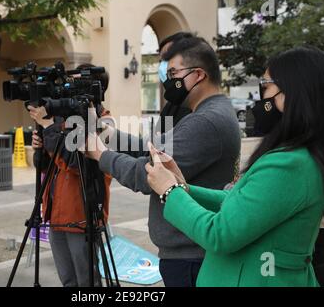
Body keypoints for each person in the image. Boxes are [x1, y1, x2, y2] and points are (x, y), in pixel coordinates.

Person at [145, 46, 324, 287]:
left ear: (292, 93)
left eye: (266, 85)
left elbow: (220, 234)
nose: (261, 96)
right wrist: (183, 187)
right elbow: (244, 205)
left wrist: (169, 191)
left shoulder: (289, 164)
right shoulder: (301, 154)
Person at [85, 36, 241, 286]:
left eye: (174, 73)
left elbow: (146, 173)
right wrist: (108, 133)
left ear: (198, 74)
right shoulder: (206, 114)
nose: (168, 81)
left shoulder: (206, 121)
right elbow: (153, 150)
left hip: (190, 257)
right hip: (187, 252)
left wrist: (100, 155)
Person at [28, 65, 112, 287]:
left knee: (87, 281)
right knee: (68, 280)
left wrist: (49, 129)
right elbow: (44, 166)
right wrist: (42, 143)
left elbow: (76, 164)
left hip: (81, 215)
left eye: (74, 84)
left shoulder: (103, 123)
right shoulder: (62, 122)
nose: (67, 89)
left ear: (94, 88)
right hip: (55, 214)